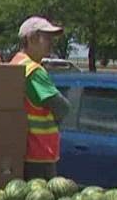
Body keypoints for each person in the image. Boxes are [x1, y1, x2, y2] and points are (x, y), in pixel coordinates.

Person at [10, 16, 72, 180]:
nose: (51, 42)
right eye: (46, 37)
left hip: (23, 149)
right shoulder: (34, 70)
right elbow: (62, 107)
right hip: (39, 152)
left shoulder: (15, 63)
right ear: (30, 39)